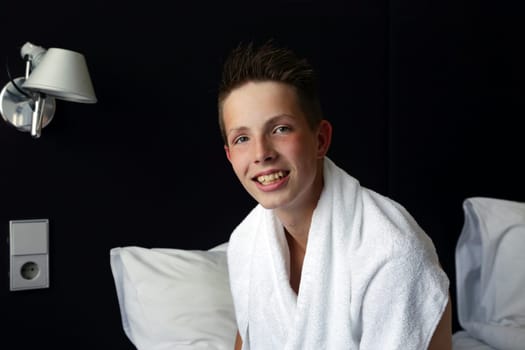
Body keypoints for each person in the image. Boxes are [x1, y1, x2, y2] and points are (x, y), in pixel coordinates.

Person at [218, 40, 452, 350]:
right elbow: (247, 338)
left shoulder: (390, 253)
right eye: (243, 138)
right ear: (230, 155)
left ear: (321, 139)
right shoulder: (246, 243)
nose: (261, 154)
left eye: (281, 129)